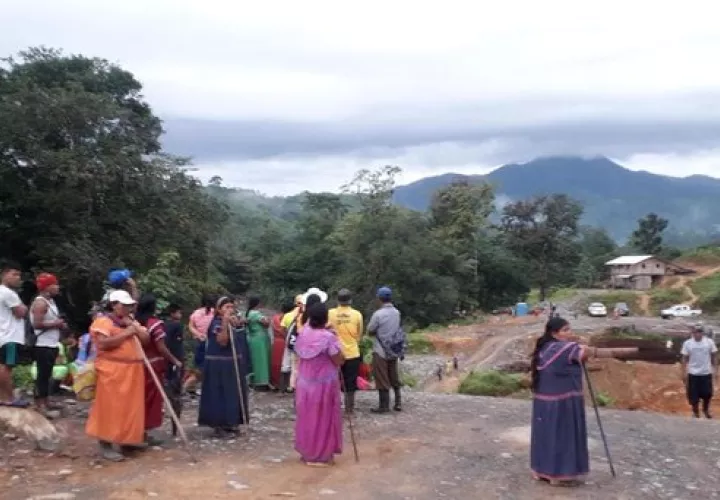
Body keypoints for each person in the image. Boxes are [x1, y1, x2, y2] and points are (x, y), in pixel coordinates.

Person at [530, 317, 637, 486]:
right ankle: (557, 474)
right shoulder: (566, 348)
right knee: (562, 436)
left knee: (546, 436)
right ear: (554, 333)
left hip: (544, 403)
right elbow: (593, 352)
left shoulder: (545, 347)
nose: (569, 333)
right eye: (565, 330)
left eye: (569, 329)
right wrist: (631, 351)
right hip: (563, 402)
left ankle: (541, 470)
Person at [86, 290, 149, 462]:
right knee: (109, 407)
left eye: (130, 305)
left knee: (130, 408)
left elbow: (146, 340)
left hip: (132, 371)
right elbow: (103, 344)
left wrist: (136, 329)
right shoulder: (103, 322)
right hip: (112, 370)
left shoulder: (130, 321)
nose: (128, 308)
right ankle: (106, 444)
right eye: (124, 305)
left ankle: (127, 440)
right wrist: (128, 332)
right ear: (114, 305)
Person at [294, 302, 344, 466]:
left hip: (304, 383)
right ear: (325, 318)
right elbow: (338, 359)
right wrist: (336, 337)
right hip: (323, 384)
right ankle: (321, 455)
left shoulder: (303, 333)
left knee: (306, 417)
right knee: (323, 418)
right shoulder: (328, 337)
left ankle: (307, 452)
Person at [198, 296, 250, 436]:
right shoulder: (216, 323)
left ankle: (232, 421)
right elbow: (222, 341)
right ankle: (219, 424)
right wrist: (226, 322)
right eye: (226, 307)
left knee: (233, 393)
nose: (230, 309)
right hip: (219, 365)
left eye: (231, 307)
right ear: (219, 310)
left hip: (232, 364)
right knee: (220, 394)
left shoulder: (233, 322)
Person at [136, 293, 183, 445]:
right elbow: (161, 348)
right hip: (153, 364)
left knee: (139, 398)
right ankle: (142, 431)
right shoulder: (155, 324)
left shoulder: (134, 322)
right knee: (150, 400)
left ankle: (137, 431)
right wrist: (174, 360)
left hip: (137, 364)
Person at [29, 273, 67, 415]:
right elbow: (37, 324)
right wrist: (56, 324)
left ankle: (45, 400)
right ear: (46, 287)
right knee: (42, 374)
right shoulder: (40, 303)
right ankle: (40, 403)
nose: (57, 287)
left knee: (47, 373)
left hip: (51, 343)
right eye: (54, 284)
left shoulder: (50, 302)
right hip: (42, 344)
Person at [367, 286, 403, 413]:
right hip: (394, 349)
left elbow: (370, 330)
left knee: (381, 377)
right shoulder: (397, 312)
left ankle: (384, 406)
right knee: (393, 374)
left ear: (379, 299)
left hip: (380, 350)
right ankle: (398, 402)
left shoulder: (378, 314)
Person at [328, 288, 363, 415]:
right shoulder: (357, 314)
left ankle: (334, 407)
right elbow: (359, 334)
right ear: (350, 300)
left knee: (333, 381)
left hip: (334, 353)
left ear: (337, 300)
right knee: (351, 382)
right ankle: (349, 409)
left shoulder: (330, 313)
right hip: (352, 352)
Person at [0, 261, 29, 408]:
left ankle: (3, 397)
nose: (17, 277)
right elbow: (21, 312)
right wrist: (23, 307)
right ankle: (10, 398)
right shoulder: (8, 293)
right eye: (14, 274)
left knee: (3, 366)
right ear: (4, 274)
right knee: (7, 367)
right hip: (9, 335)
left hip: (3, 334)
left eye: (19, 275)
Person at [681, 324, 718, 419]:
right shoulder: (688, 343)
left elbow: (714, 355)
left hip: (706, 372)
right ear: (692, 333)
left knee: (707, 393)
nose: (697, 334)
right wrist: (683, 372)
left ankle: (705, 409)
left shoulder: (709, 342)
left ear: (702, 333)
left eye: (699, 332)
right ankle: (695, 412)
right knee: (693, 395)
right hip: (693, 373)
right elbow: (684, 358)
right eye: (695, 332)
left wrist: (715, 369)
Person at [185, 294, 215, 394]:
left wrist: (198, 334)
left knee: (199, 366)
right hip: (210, 342)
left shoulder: (196, 313)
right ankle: (187, 386)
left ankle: (192, 387)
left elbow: (190, 326)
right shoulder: (214, 313)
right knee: (206, 367)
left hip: (199, 340)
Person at [245, 296, 271, 390]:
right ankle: (262, 382)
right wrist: (268, 320)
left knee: (254, 360)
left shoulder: (247, 313)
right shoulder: (256, 313)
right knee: (262, 360)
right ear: (258, 304)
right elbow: (266, 323)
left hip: (252, 337)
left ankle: (253, 381)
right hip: (260, 338)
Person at [280, 294, 304, 393]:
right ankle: (295, 387)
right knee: (298, 366)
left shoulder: (288, 315)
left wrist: (288, 338)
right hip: (300, 343)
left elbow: (282, 328)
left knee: (285, 364)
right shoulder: (304, 314)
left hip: (289, 341)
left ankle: (282, 388)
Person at [271, 299, 295, 391]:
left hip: (276, 342)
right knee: (287, 364)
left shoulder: (275, 317)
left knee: (276, 364)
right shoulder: (288, 318)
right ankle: (287, 385)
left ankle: (276, 384)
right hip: (285, 342)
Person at [163, 304, 185, 381]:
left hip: (168, 352)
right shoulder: (177, 325)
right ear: (172, 314)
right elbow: (178, 340)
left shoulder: (165, 324)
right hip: (176, 352)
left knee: (169, 373)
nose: (180, 315)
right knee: (177, 374)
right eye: (178, 313)